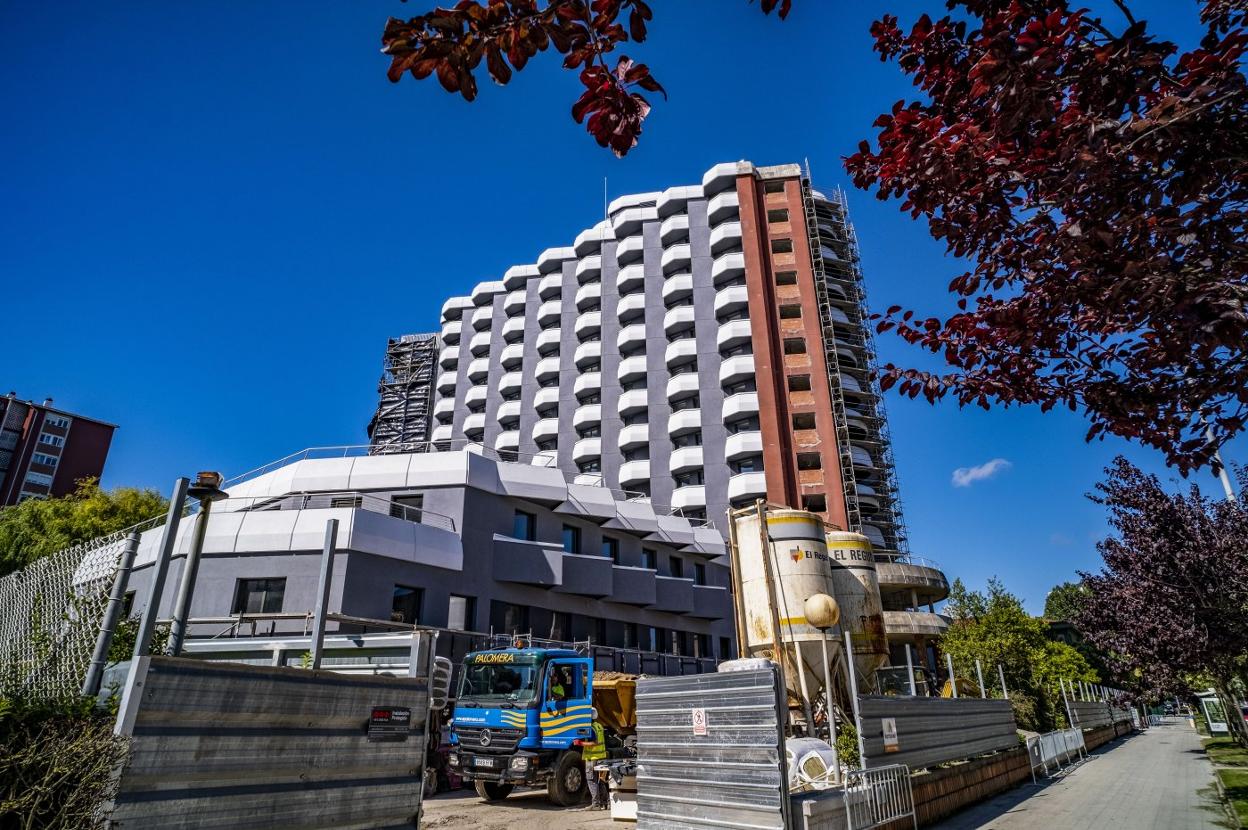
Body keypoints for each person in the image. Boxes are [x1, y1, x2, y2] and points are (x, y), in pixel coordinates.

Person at [581, 709, 609, 810]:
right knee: (601, 780)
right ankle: (606, 802)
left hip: (592, 758)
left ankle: (596, 804)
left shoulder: (591, 728)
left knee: (591, 780)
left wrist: (580, 743)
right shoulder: (599, 726)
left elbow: (594, 742)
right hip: (601, 756)